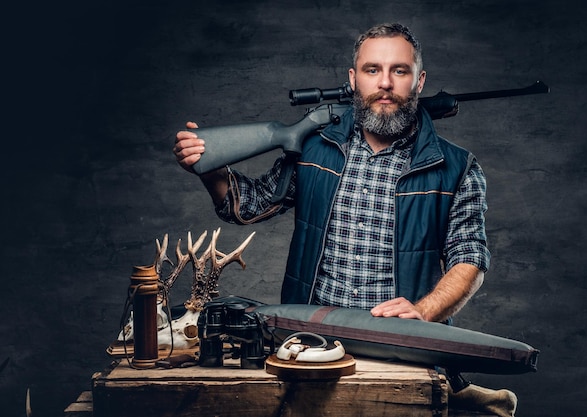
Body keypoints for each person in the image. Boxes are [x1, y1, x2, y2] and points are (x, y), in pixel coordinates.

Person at [174, 23, 516, 416]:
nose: (385, 83)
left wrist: (424, 311)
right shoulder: (313, 148)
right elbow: (247, 206)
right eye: (372, 70)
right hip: (309, 347)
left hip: (401, 352)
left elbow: (470, 258)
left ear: (419, 81)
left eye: (399, 71)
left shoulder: (458, 168)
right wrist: (209, 165)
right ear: (353, 80)